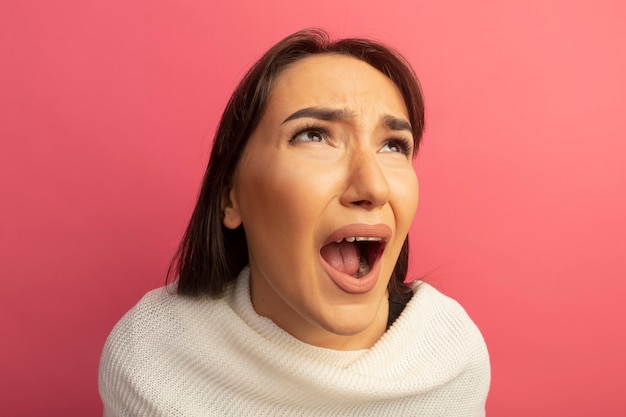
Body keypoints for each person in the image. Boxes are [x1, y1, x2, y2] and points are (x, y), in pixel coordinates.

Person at [99, 28, 490, 416]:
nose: (374, 186)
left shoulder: (452, 359)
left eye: (393, 145)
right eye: (314, 136)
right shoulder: (152, 357)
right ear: (230, 197)